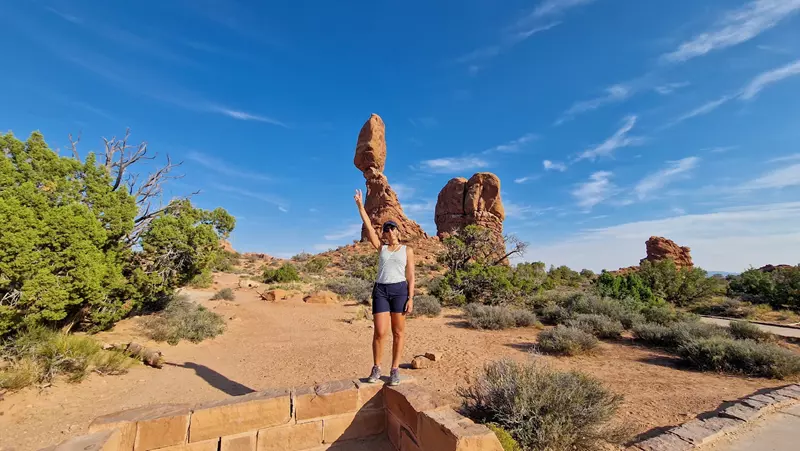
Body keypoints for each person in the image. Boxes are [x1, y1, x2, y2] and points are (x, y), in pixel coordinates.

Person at [354, 189, 415, 386]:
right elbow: (369, 227)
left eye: (392, 228)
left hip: (399, 290)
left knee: (398, 332)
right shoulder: (381, 248)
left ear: (398, 231)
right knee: (380, 332)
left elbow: (411, 276)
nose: (389, 231)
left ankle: (395, 369)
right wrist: (361, 206)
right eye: (386, 229)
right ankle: (376, 367)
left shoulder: (408, 250)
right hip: (381, 290)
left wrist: (411, 297)